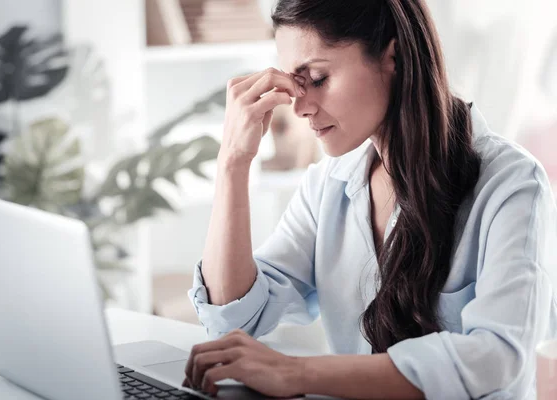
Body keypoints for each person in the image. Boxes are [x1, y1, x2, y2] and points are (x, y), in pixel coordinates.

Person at [183, 0, 557, 399]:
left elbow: (497, 358)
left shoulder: (512, 184)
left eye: (318, 78)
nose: (301, 107)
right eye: (294, 84)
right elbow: (233, 318)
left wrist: (298, 373)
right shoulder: (327, 186)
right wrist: (232, 163)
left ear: (391, 57)